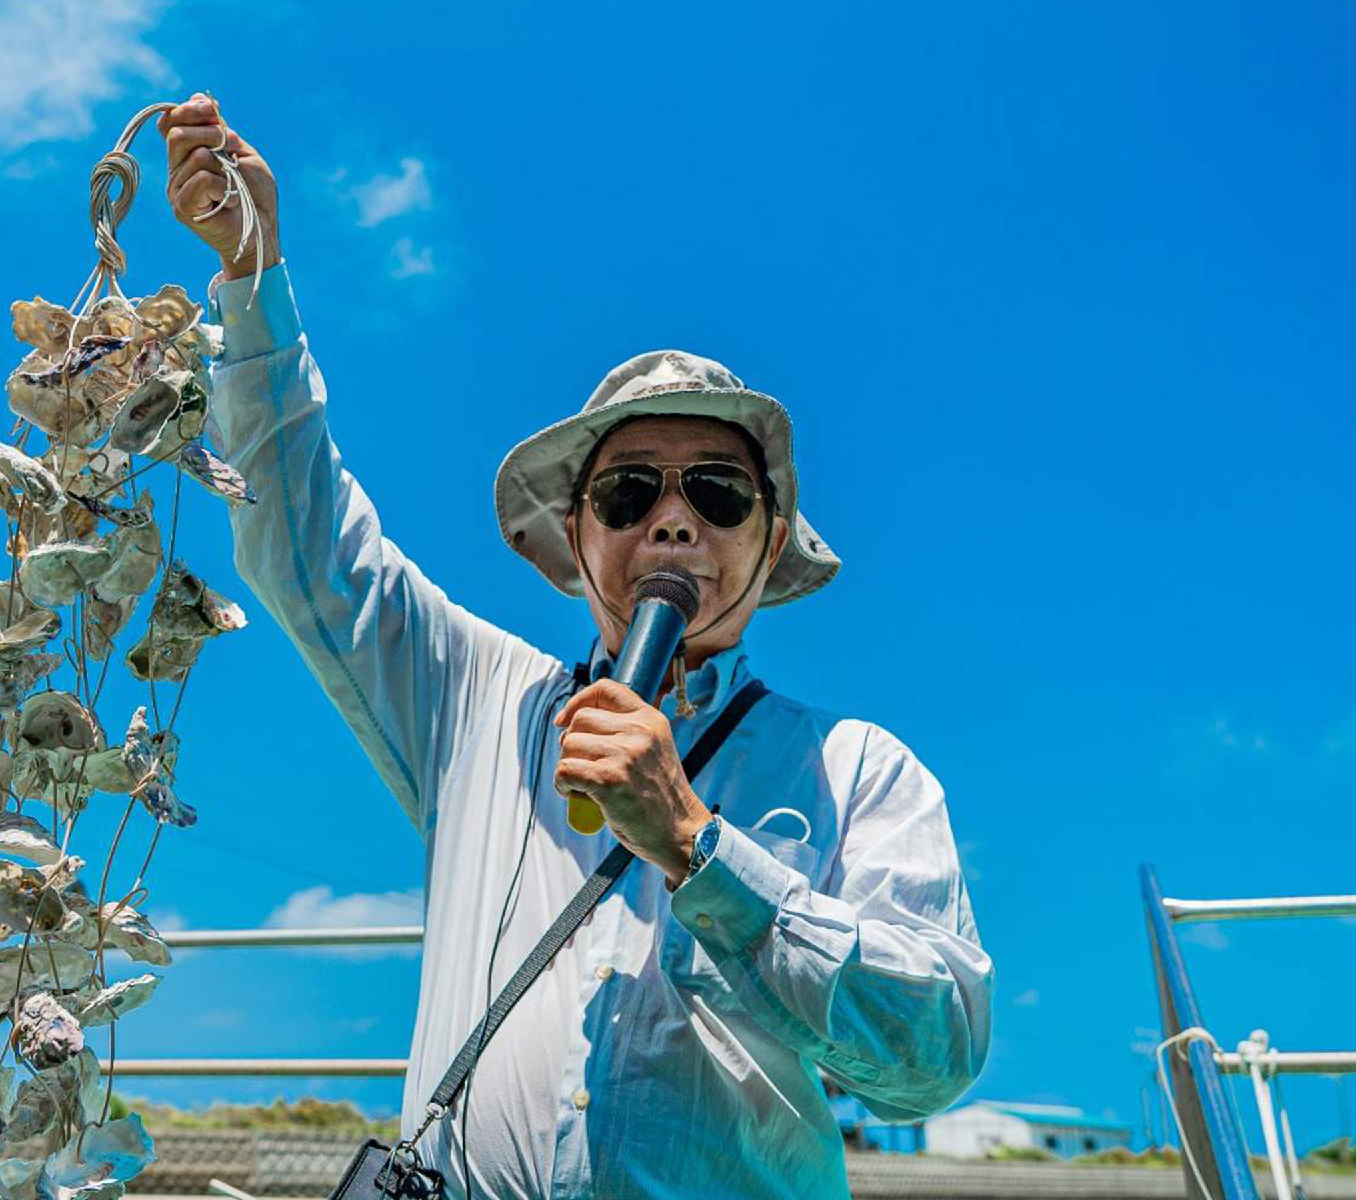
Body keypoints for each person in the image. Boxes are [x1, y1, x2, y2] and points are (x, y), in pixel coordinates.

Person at [157, 94, 992, 1200]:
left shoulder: (860, 772)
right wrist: (253, 280)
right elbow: (306, 546)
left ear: (772, 537)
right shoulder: (478, 696)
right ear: (579, 534)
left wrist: (699, 847)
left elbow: (930, 1064)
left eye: (719, 493)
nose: (674, 519)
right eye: (633, 490)